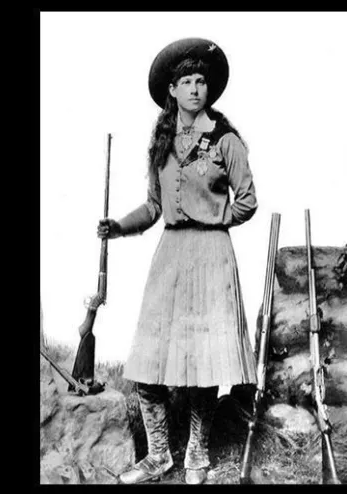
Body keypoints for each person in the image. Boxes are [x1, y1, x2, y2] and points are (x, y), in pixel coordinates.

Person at [97, 38, 258, 485]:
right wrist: (119, 225)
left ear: (209, 89)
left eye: (201, 81)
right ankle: (157, 455)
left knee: (203, 367)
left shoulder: (226, 141)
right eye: (185, 81)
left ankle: (197, 454)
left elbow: (247, 202)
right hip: (169, 257)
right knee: (148, 367)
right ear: (171, 90)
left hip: (211, 258)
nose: (194, 89)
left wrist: (211, 217)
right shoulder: (162, 141)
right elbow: (152, 207)